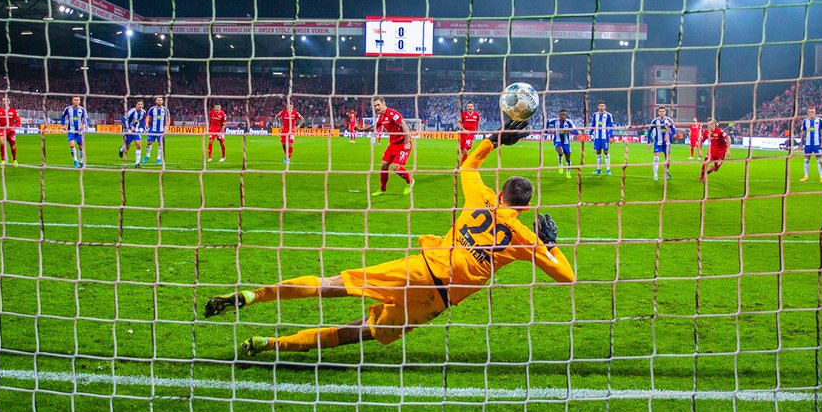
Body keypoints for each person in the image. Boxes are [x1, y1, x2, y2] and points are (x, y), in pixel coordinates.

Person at [203, 120, 574, 356]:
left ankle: (252, 296)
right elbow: (566, 277)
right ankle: (271, 345)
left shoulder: (481, 196)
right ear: (525, 208)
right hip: (437, 299)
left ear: (501, 193)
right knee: (358, 332)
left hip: (420, 267)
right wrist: (551, 243)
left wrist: (496, 137)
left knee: (334, 285)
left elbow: (468, 165)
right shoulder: (525, 237)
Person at [360, 96, 413, 196]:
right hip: (393, 144)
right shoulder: (381, 117)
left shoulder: (393, 114)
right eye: (375, 106)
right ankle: (382, 189)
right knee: (384, 166)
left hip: (402, 143)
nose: (376, 107)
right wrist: (362, 130)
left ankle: (410, 181)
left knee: (396, 167)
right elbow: (376, 126)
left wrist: (407, 142)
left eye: (378, 105)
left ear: (383, 104)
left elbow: (404, 126)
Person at [0, 96, 21, 166]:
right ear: (1, 102)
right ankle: (2, 160)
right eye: (3, 101)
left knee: (12, 145)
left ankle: (14, 159)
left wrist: (14, 127)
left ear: (9, 102)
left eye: (6, 101)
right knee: (2, 142)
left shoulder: (13, 111)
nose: (4, 102)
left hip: (10, 131)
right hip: (1, 129)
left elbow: (18, 121)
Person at [647, 106, 676, 181]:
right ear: (658, 112)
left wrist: (669, 136)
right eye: (660, 111)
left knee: (668, 160)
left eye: (663, 111)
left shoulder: (669, 120)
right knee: (656, 158)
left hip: (667, 143)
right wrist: (649, 142)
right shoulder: (655, 121)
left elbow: (674, 131)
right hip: (658, 142)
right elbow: (649, 132)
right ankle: (655, 175)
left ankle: (666, 170)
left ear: (665, 112)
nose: (661, 113)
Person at [799, 106, 822, 182]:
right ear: (808, 113)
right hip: (807, 144)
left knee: (819, 160)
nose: (811, 113)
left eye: (812, 112)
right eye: (810, 112)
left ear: (815, 112)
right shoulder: (805, 121)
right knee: (806, 160)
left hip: (817, 144)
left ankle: (821, 177)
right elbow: (803, 132)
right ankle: (806, 177)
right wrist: (801, 143)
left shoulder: (820, 120)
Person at [546, 108, 577, 177]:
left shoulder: (569, 122)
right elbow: (547, 121)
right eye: (561, 115)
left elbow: (576, 131)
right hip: (557, 141)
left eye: (564, 115)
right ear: (559, 115)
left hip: (566, 143)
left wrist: (570, 130)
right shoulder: (555, 121)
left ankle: (568, 172)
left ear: (566, 116)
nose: (563, 116)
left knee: (568, 159)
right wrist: (545, 132)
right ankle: (560, 164)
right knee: (560, 152)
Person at [589, 101, 615, 176]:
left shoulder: (609, 115)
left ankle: (608, 169)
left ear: (605, 107)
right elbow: (593, 125)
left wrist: (611, 136)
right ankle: (599, 169)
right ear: (598, 107)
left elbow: (610, 127)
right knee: (598, 152)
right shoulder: (595, 115)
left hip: (604, 137)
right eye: (600, 106)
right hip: (597, 137)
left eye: (602, 106)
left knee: (606, 152)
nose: (601, 107)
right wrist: (590, 134)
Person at [61, 96, 88, 168]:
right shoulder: (68, 109)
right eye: (75, 100)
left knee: (80, 147)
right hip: (71, 130)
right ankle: (75, 160)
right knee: (72, 145)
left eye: (78, 100)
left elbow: (86, 119)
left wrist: (84, 125)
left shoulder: (82, 110)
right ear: (72, 101)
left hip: (80, 131)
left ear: (80, 101)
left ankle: (81, 161)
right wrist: (63, 125)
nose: (76, 101)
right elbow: (63, 116)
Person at [120, 100, 147, 167]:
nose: (140, 105)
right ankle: (121, 149)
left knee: (138, 145)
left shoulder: (143, 112)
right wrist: (129, 128)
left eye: (141, 104)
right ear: (136, 105)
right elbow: (123, 119)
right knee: (127, 147)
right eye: (139, 104)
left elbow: (142, 120)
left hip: (136, 131)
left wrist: (142, 128)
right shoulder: (132, 111)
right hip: (127, 130)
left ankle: (137, 163)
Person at [276, 101, 303, 165]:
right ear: (286, 106)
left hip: (291, 130)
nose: (290, 107)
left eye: (291, 106)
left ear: (292, 106)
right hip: (284, 130)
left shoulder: (295, 113)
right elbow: (276, 117)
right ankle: (287, 155)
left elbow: (302, 119)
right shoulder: (283, 112)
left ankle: (288, 158)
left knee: (290, 144)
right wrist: (279, 124)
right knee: (283, 143)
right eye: (288, 106)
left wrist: (298, 126)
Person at [145, 96, 169, 166]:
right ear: (156, 101)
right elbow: (148, 117)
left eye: (160, 100)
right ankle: (147, 156)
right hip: (152, 129)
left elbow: (168, 119)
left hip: (161, 130)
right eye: (158, 100)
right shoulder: (152, 109)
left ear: (162, 101)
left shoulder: (165, 109)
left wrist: (167, 127)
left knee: (160, 144)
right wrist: (146, 123)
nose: (159, 101)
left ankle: (158, 158)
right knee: (149, 142)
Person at [457, 102, 481, 167]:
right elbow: (458, 124)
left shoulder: (477, 115)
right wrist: (464, 130)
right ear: (467, 107)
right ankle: (463, 164)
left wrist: (477, 131)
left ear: (473, 107)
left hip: (471, 135)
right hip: (463, 134)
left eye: (471, 106)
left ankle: (463, 165)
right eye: (468, 106)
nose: (470, 107)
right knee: (462, 151)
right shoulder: (463, 115)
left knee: (465, 150)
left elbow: (478, 123)